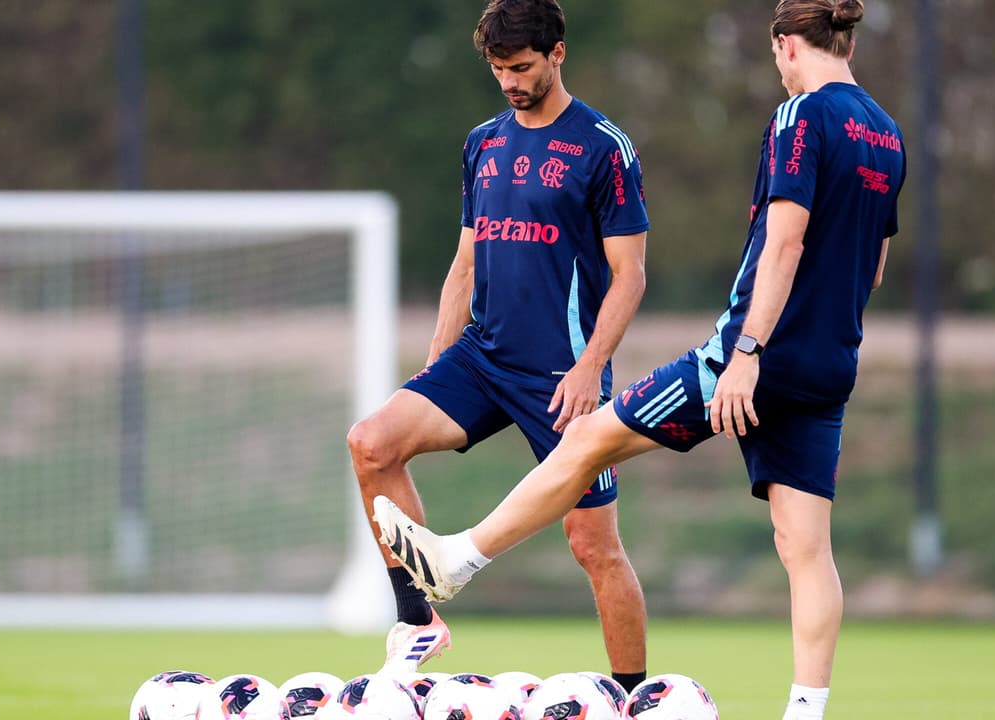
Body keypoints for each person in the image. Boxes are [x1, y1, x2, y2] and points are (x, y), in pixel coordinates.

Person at [372, 1, 904, 718]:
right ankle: (805, 711)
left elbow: (784, 244)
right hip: (831, 361)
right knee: (806, 549)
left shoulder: (800, 117)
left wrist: (747, 350)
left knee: (588, 440)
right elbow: (871, 270)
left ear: (786, 46)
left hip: (753, 356)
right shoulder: (887, 133)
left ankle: (458, 558)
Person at [346, 0, 651, 690]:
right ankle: (420, 622)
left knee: (594, 547)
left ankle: (635, 697)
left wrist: (590, 368)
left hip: (563, 374)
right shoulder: (482, 142)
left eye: (520, 68)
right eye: (497, 70)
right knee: (372, 442)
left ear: (557, 55)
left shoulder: (605, 147)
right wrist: (434, 366)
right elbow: (465, 261)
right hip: (482, 358)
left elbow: (630, 276)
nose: (510, 82)